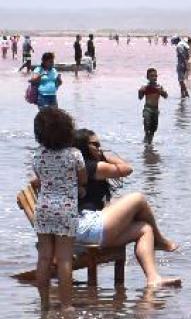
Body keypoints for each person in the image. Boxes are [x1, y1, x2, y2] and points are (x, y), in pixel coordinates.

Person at [73, 129, 181, 287]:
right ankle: (160, 240)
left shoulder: (85, 167)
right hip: (86, 228)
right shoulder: (91, 166)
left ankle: (153, 278)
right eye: (95, 144)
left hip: (87, 230)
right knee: (138, 199)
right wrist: (105, 156)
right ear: (84, 147)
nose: (100, 148)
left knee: (144, 229)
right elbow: (126, 169)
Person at [29, 108, 86, 308]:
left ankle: (44, 303)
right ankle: (66, 305)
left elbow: (40, 178)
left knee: (44, 257)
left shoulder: (38, 156)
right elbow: (82, 179)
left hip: (43, 208)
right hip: (66, 208)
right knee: (63, 260)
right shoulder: (74, 155)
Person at [137, 67, 169, 145]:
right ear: (147, 77)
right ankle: (147, 144)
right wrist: (140, 91)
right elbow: (140, 98)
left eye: (155, 76)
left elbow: (166, 96)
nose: (154, 78)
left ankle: (149, 144)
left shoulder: (159, 87)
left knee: (154, 128)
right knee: (147, 124)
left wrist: (161, 92)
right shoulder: (145, 87)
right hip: (147, 108)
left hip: (155, 110)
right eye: (152, 76)